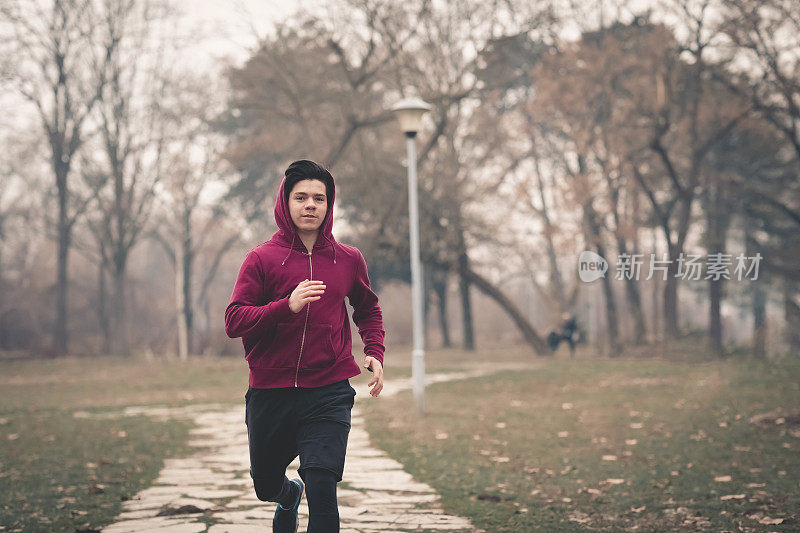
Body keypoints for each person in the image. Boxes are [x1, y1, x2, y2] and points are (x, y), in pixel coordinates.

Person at [224, 159, 386, 532]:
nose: (310, 204)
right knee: (265, 485)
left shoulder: (348, 259)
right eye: (301, 197)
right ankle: (287, 495)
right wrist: (287, 306)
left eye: (319, 198)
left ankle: (308, 491)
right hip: (270, 392)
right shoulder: (261, 258)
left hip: (328, 391)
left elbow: (368, 309)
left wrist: (374, 351)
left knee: (323, 486)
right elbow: (234, 321)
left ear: (329, 206)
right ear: (286, 201)